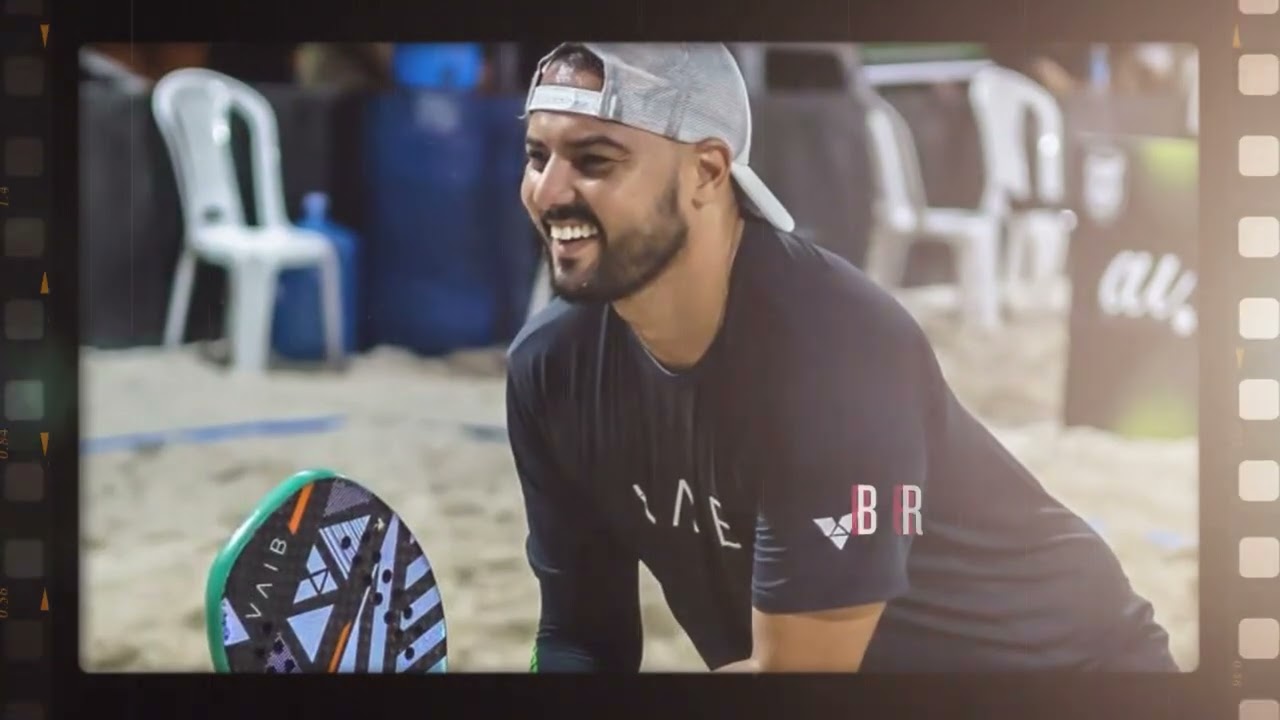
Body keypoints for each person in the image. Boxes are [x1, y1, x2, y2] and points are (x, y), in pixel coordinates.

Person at [504, 42, 1177, 673]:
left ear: (707, 171)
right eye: (538, 157)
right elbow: (578, 637)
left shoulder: (831, 351)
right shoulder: (550, 366)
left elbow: (798, 680)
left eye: (594, 161)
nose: (550, 191)